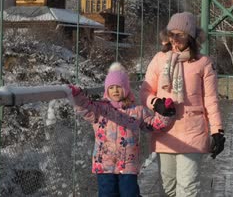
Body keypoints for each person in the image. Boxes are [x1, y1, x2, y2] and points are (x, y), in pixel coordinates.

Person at [140, 12, 225, 197]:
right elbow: (145, 92)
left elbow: (211, 99)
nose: (175, 39)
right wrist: (155, 103)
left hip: (192, 130)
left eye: (180, 35)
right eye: (171, 34)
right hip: (165, 130)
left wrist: (217, 131)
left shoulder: (204, 63)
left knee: (187, 189)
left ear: (191, 37)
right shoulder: (159, 60)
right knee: (168, 188)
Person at [68, 62, 176, 197]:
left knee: (130, 193)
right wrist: (76, 95)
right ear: (107, 90)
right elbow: (84, 107)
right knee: (107, 194)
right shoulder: (100, 109)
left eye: (119, 87)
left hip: (128, 163)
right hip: (105, 163)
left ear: (126, 89)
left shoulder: (137, 111)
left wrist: (164, 113)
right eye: (111, 87)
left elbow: (153, 125)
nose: (115, 90)